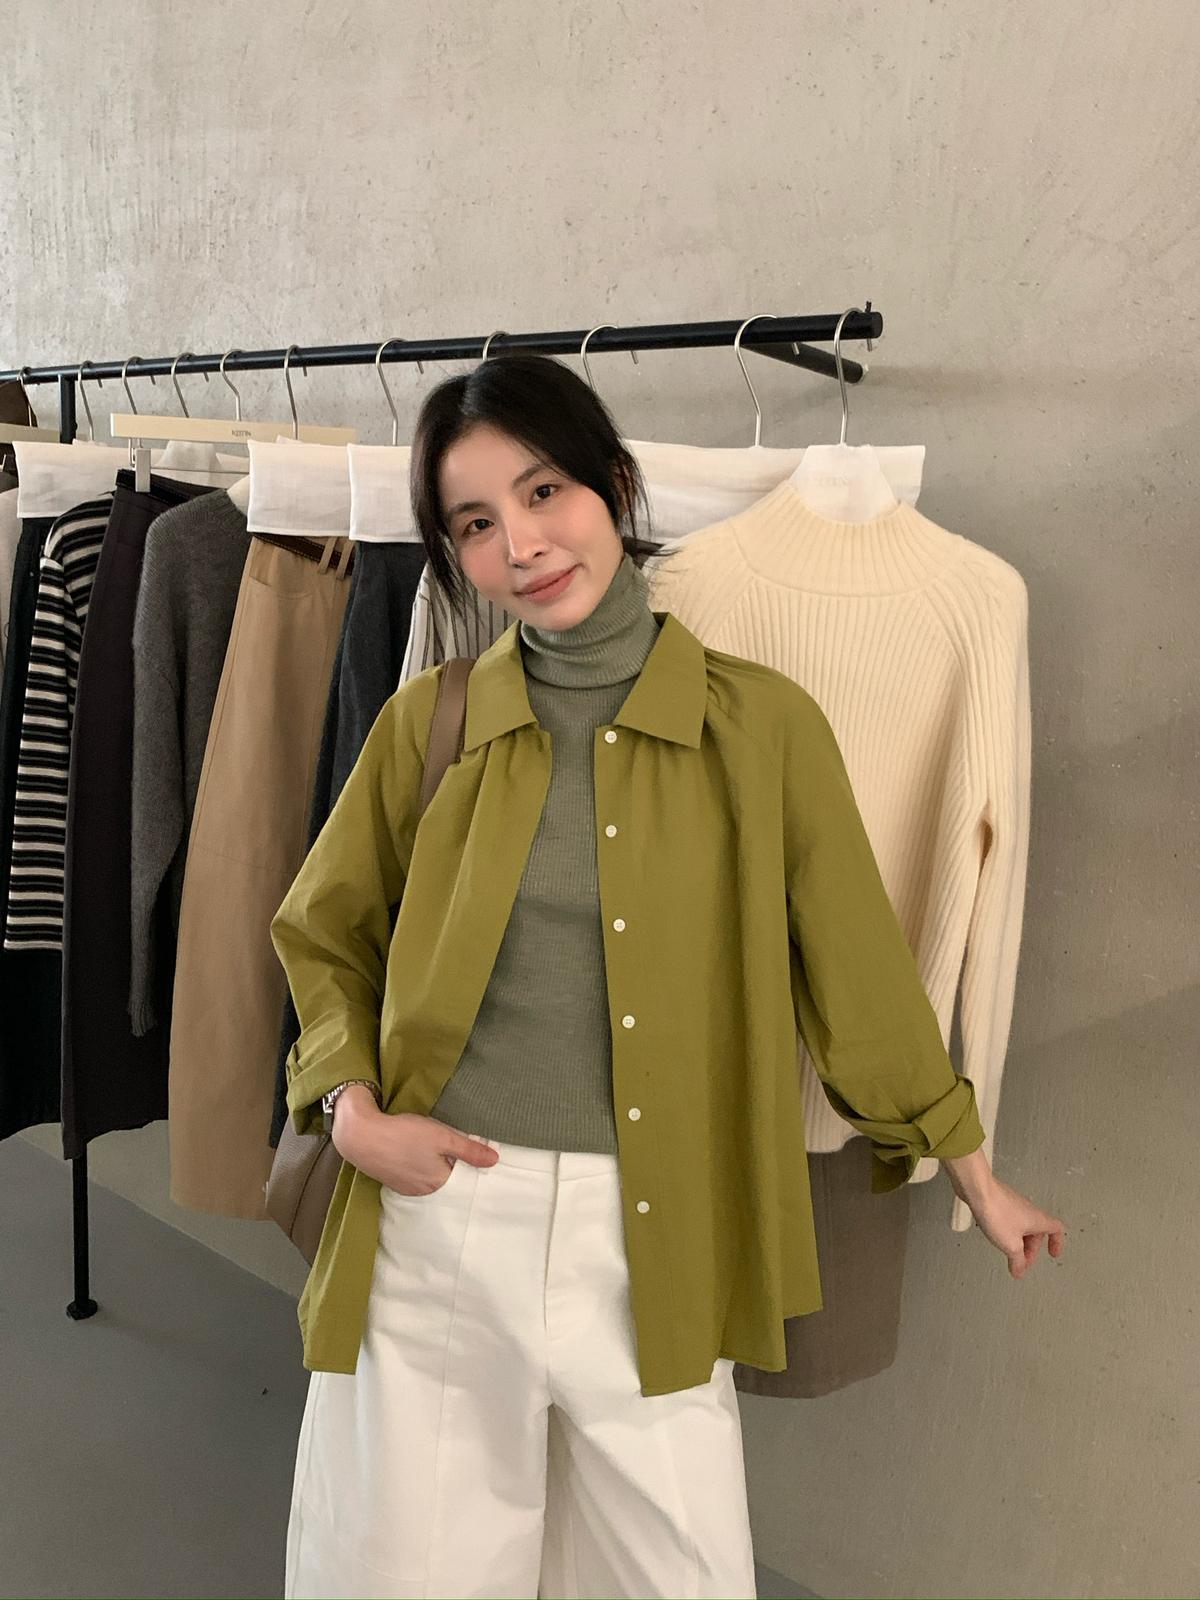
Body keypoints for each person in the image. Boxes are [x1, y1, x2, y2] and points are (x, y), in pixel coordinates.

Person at [270, 354, 1066, 1600]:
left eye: (544, 492)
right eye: (475, 523)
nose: (522, 544)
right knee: (406, 1577)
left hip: (656, 1228)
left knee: (675, 1574)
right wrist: (352, 1109)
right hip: (439, 1217)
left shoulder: (762, 728)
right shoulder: (432, 721)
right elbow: (322, 932)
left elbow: (857, 970)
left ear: (616, 485)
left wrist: (971, 1164)